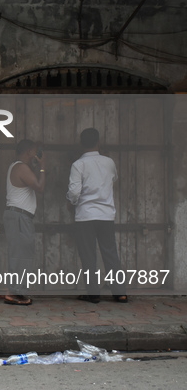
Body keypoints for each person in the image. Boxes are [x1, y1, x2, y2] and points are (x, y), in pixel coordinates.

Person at [66, 128, 128, 304]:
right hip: (106, 215)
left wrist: (70, 202)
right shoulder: (109, 162)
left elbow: (74, 192)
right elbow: (113, 179)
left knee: (88, 256)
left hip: (86, 216)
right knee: (110, 254)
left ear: (81, 144)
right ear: (98, 142)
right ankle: (120, 292)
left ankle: (93, 294)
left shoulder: (78, 165)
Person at [3, 139, 46, 305]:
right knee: (20, 255)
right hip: (19, 216)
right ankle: (15, 292)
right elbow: (40, 187)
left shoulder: (19, 166)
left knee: (22, 254)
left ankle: (16, 291)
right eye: (36, 150)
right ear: (29, 152)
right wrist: (43, 166)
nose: (38, 153)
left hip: (19, 216)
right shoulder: (21, 167)